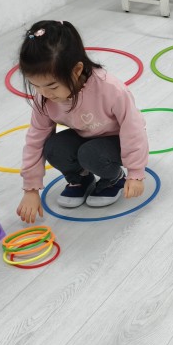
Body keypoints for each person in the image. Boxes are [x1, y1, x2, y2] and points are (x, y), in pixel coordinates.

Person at [15, 20, 148, 223]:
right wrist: (31, 189)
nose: (44, 93)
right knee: (53, 147)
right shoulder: (44, 98)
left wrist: (135, 173)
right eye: (35, 86)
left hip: (116, 142)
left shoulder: (110, 89)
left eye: (52, 86)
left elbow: (133, 129)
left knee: (91, 153)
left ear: (77, 70)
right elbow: (36, 139)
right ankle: (81, 178)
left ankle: (113, 178)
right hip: (86, 137)